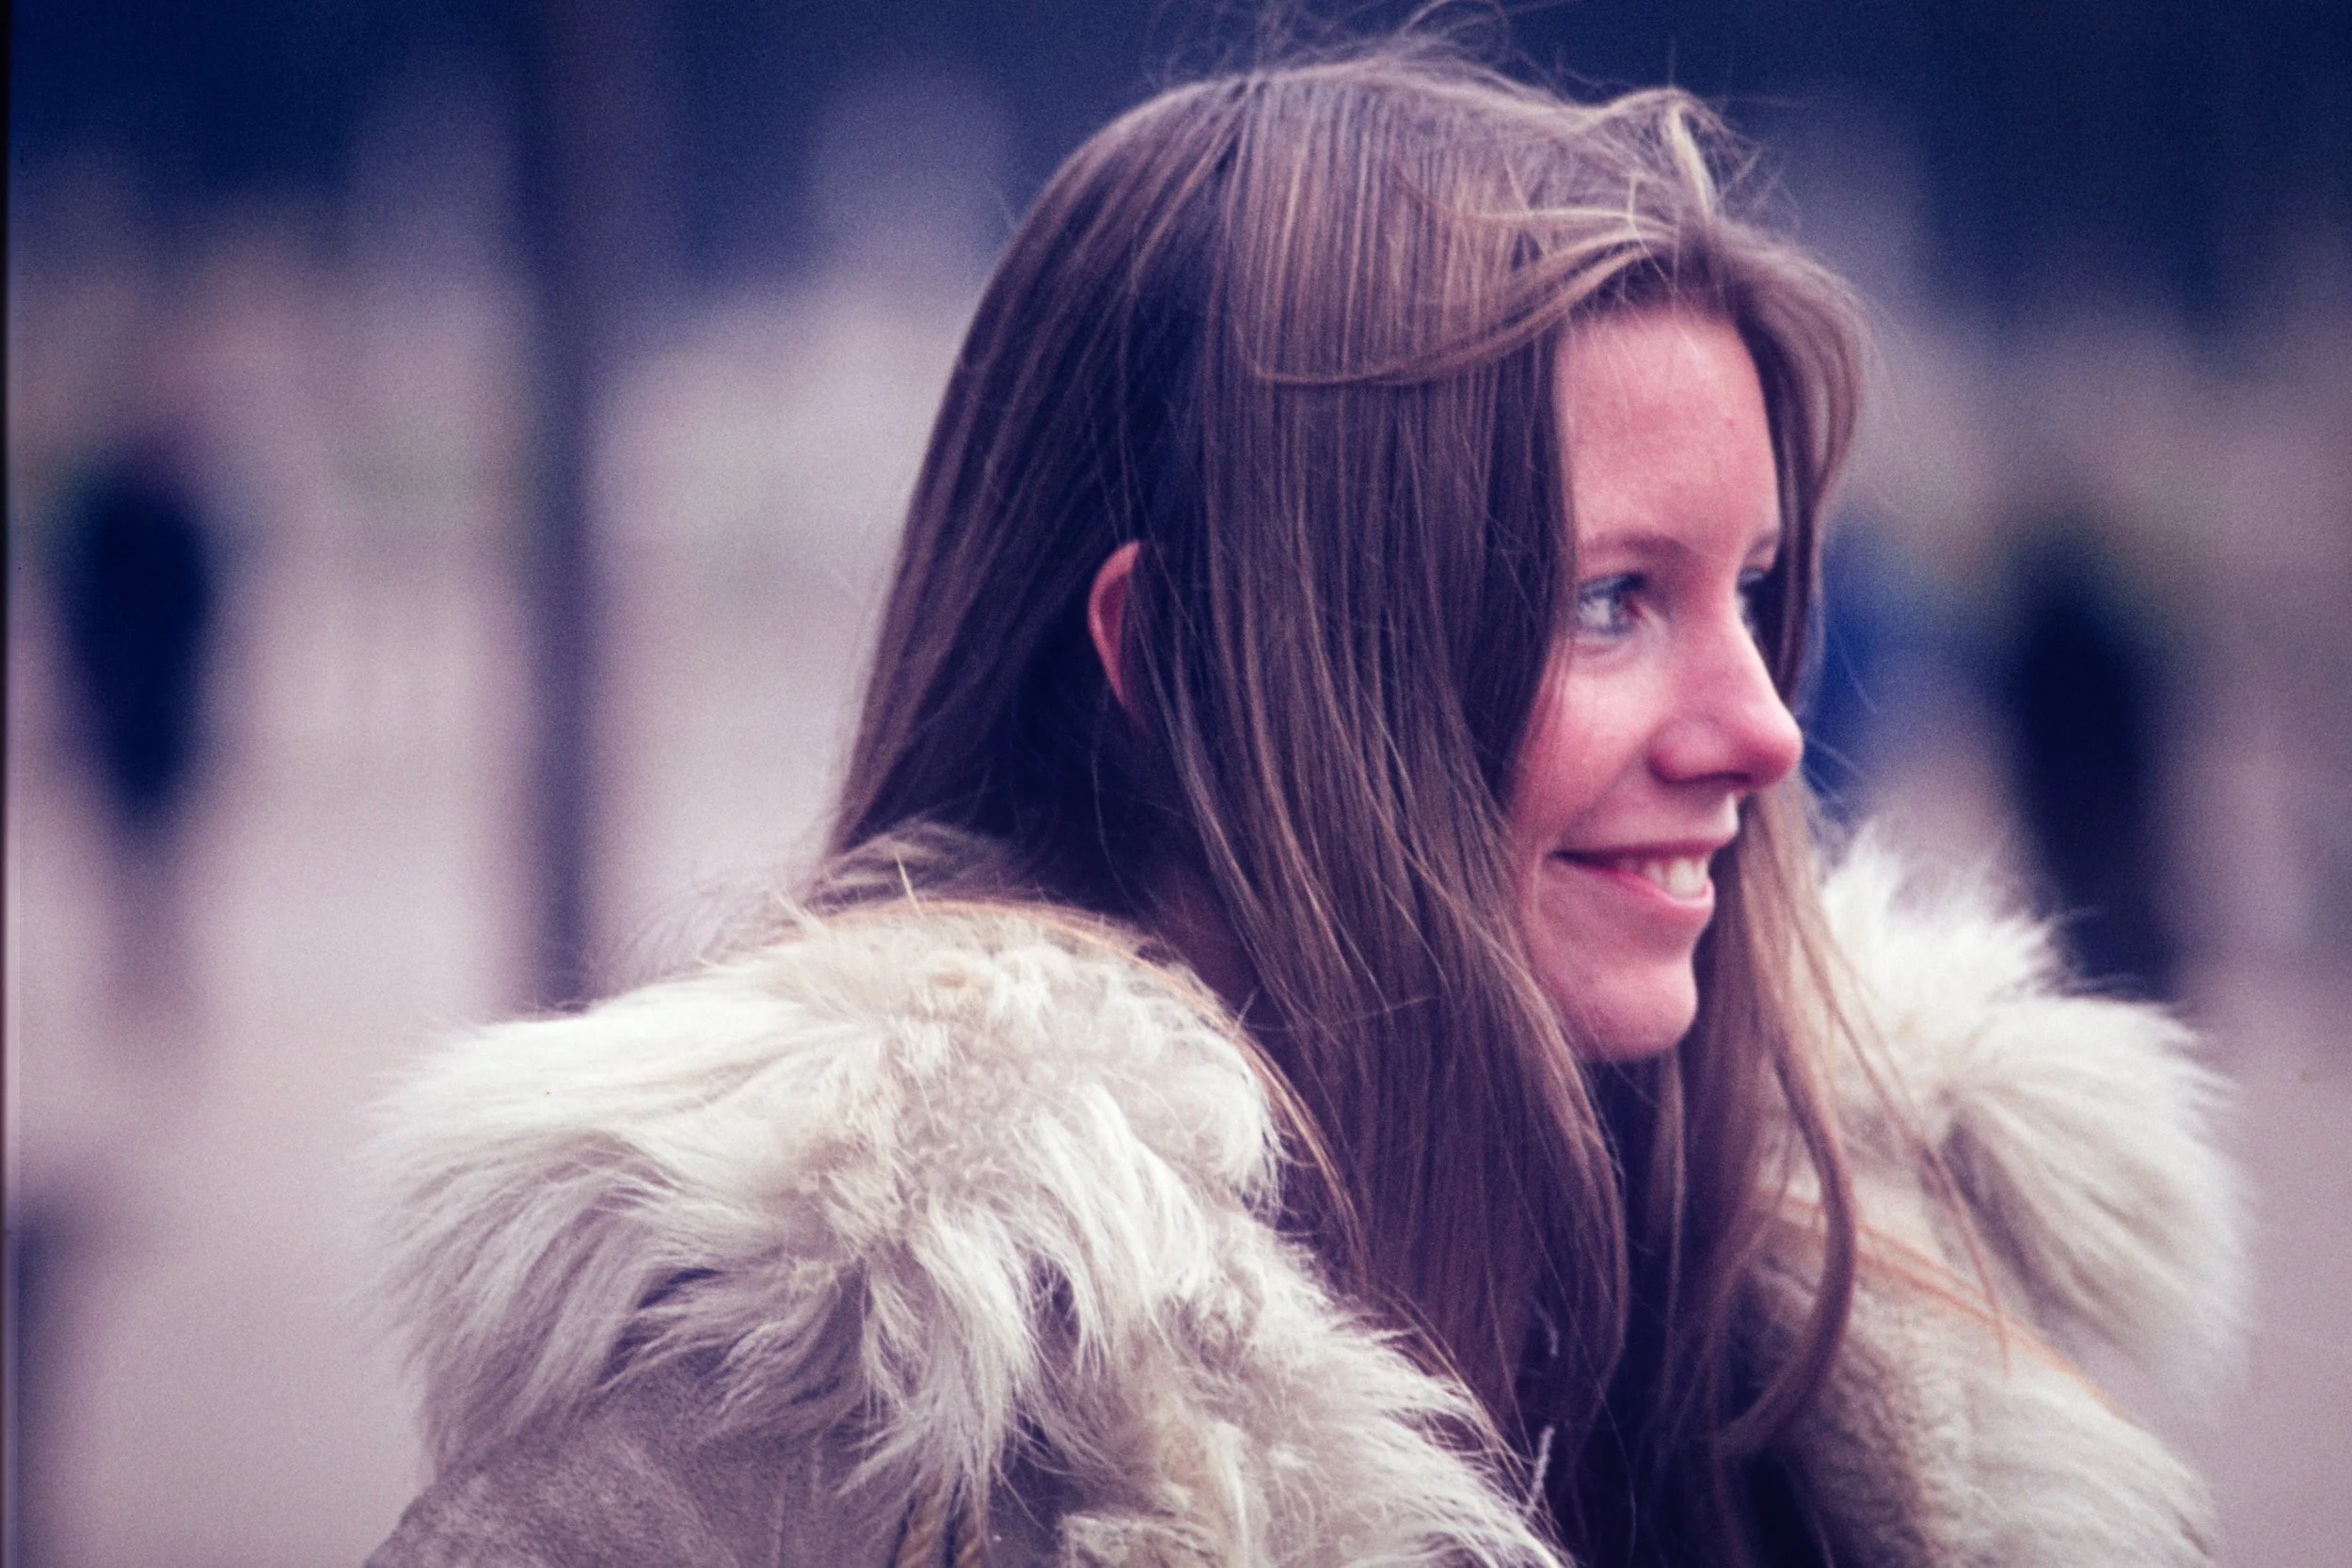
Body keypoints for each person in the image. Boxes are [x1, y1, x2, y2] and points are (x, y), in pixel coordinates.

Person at [364, 44, 2238, 1568]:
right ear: (1168, 660)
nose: (1759, 728)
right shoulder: (750, 1491)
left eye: (1750, 589)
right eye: (1606, 600)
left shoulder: (1855, 1380)